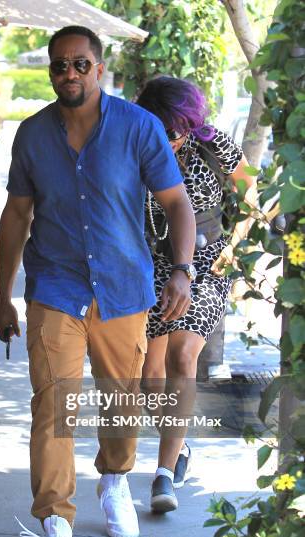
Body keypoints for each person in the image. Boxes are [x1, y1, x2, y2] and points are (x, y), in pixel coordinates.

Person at [0, 25, 196, 537]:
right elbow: (16, 215)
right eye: (60, 66)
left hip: (123, 289)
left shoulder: (139, 127)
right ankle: (56, 531)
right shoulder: (32, 135)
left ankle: (114, 479)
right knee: (53, 408)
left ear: (99, 68)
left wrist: (182, 270)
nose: (69, 75)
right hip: (54, 287)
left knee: (120, 398)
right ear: (51, 71)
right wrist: (1, 295)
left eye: (80, 64)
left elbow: (177, 202)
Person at [137, 76, 257, 514]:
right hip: (150, 263)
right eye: (159, 129)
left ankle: (164, 475)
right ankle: (180, 445)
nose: (168, 138)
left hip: (207, 263)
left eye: (174, 129)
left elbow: (253, 197)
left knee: (183, 356)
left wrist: (235, 251)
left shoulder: (213, 144)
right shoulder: (137, 147)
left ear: (189, 123)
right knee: (147, 375)